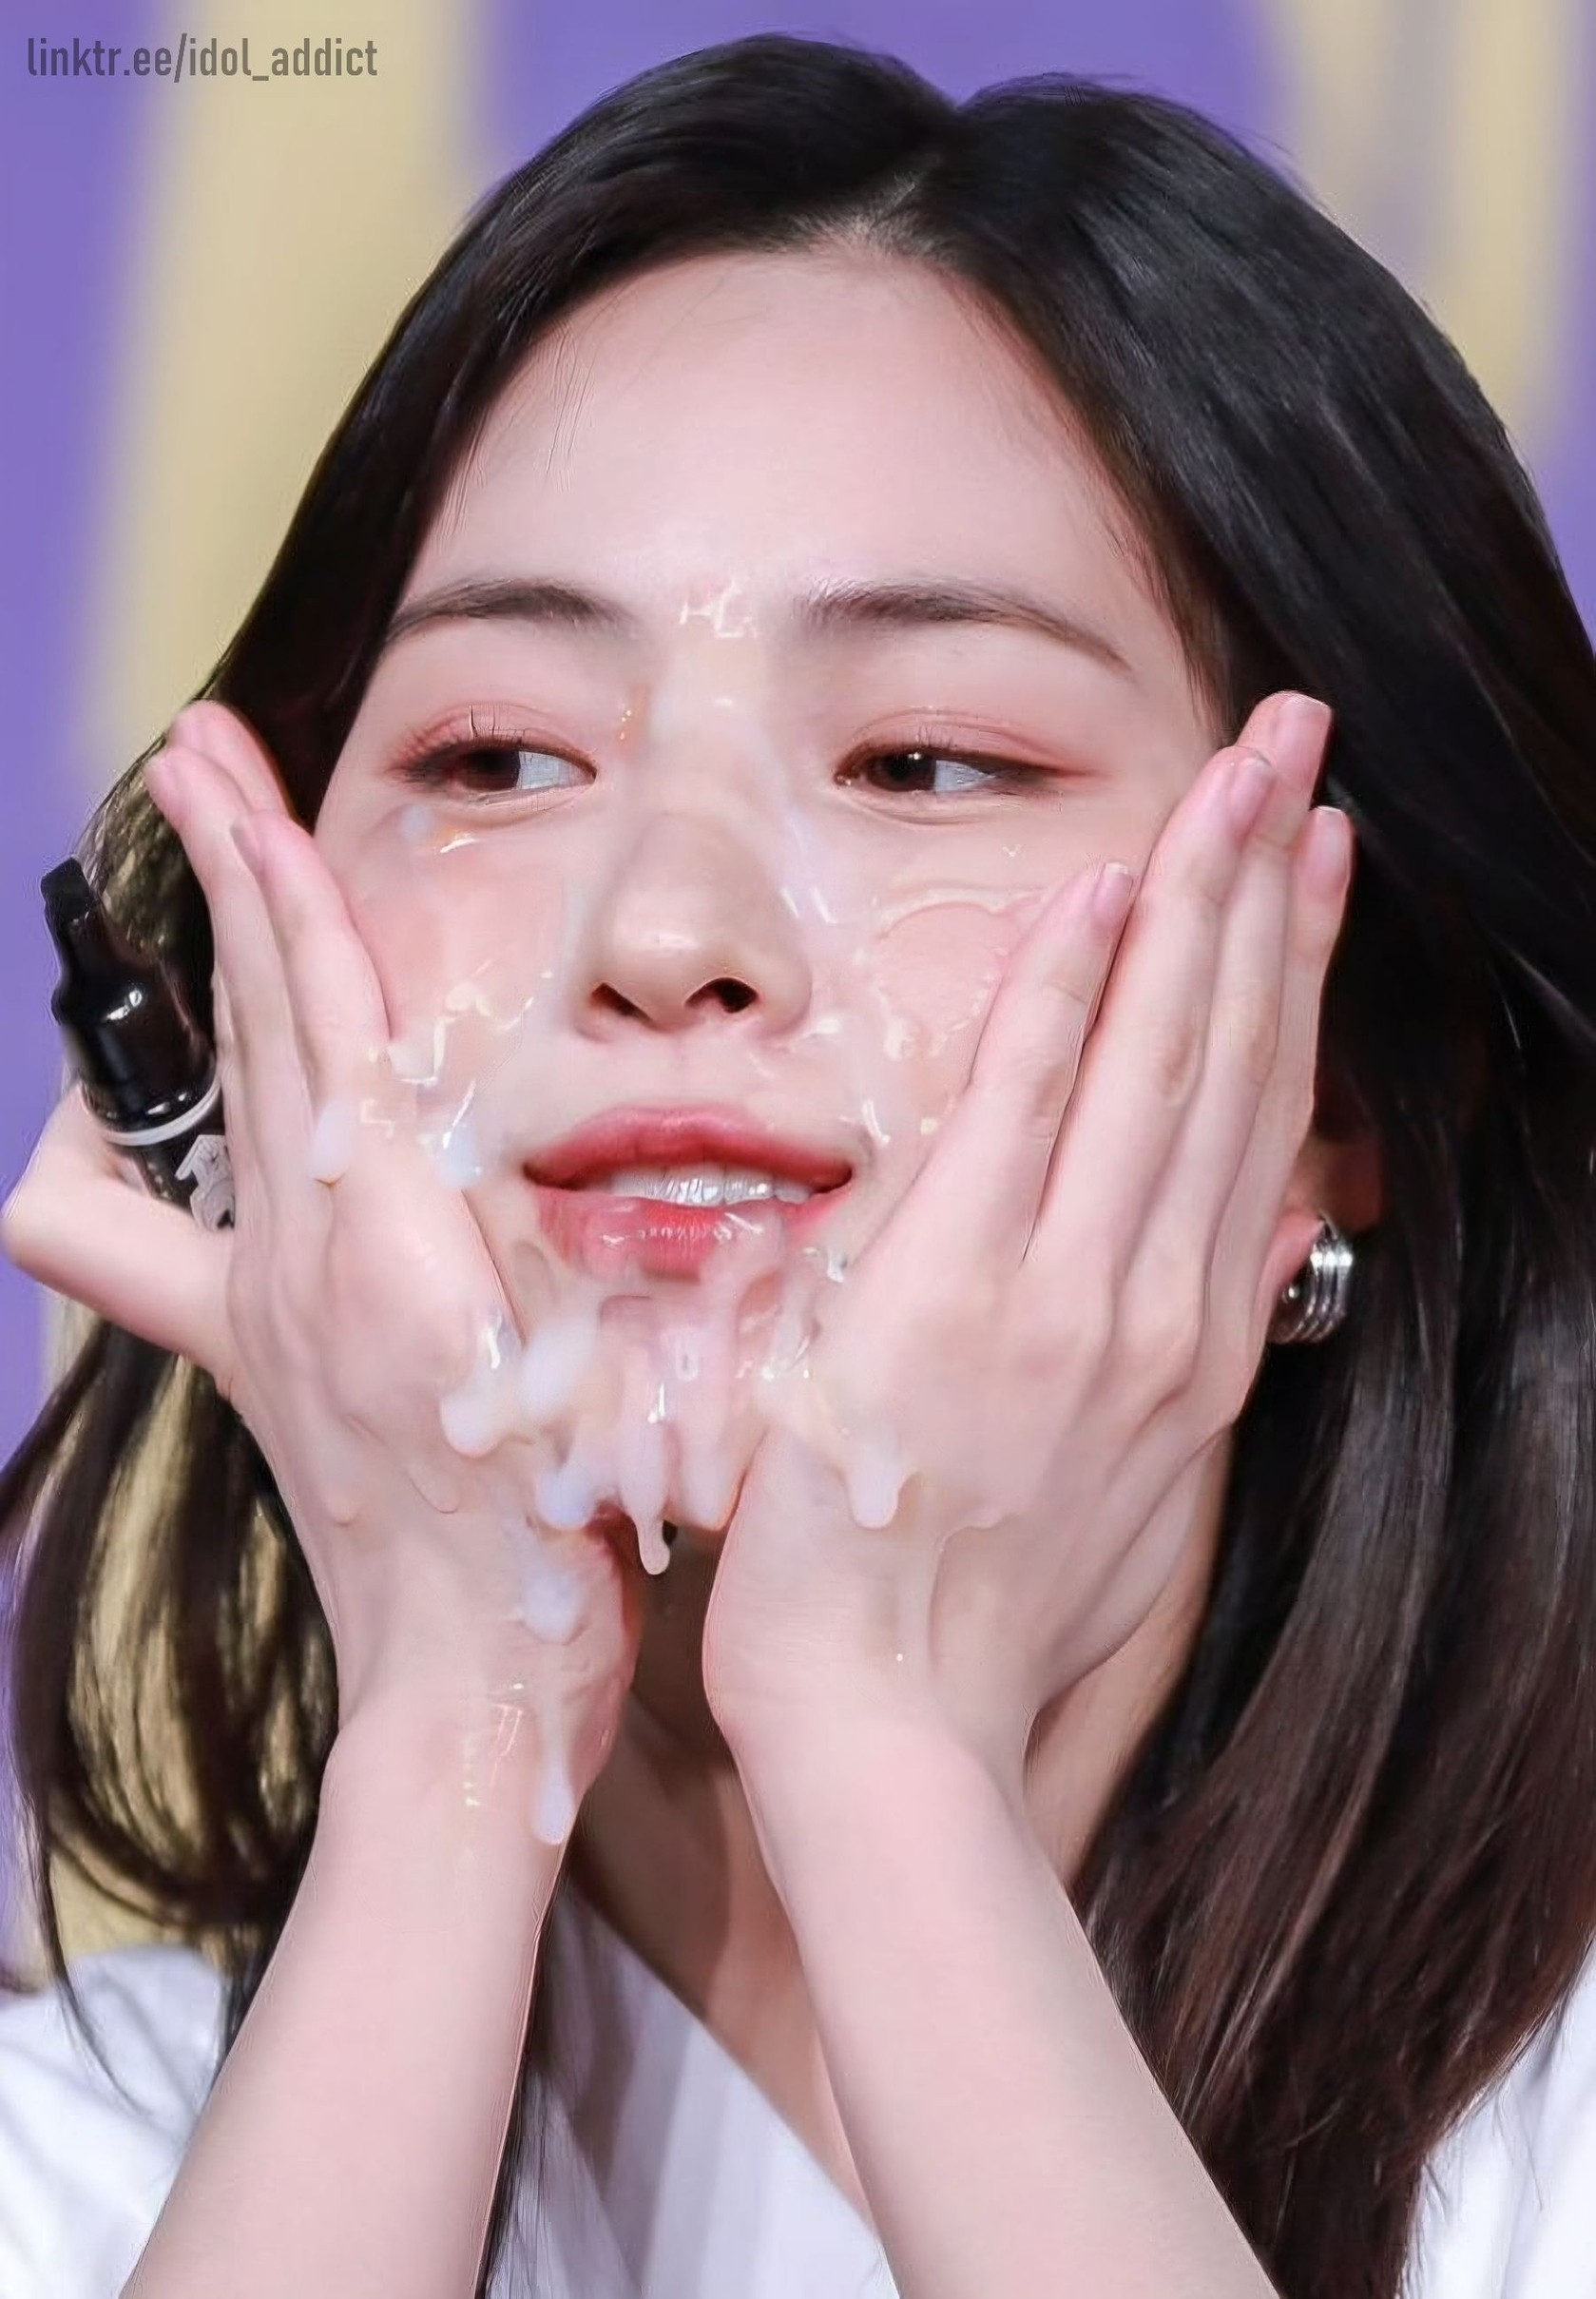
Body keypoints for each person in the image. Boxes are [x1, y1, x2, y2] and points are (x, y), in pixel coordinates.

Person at [2, 31, 1594, 2299]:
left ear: (1338, 1079)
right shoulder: (75, 2174)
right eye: (499, 755)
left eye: (925, 761)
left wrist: (884, 1741)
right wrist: (455, 1731)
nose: (667, 934)